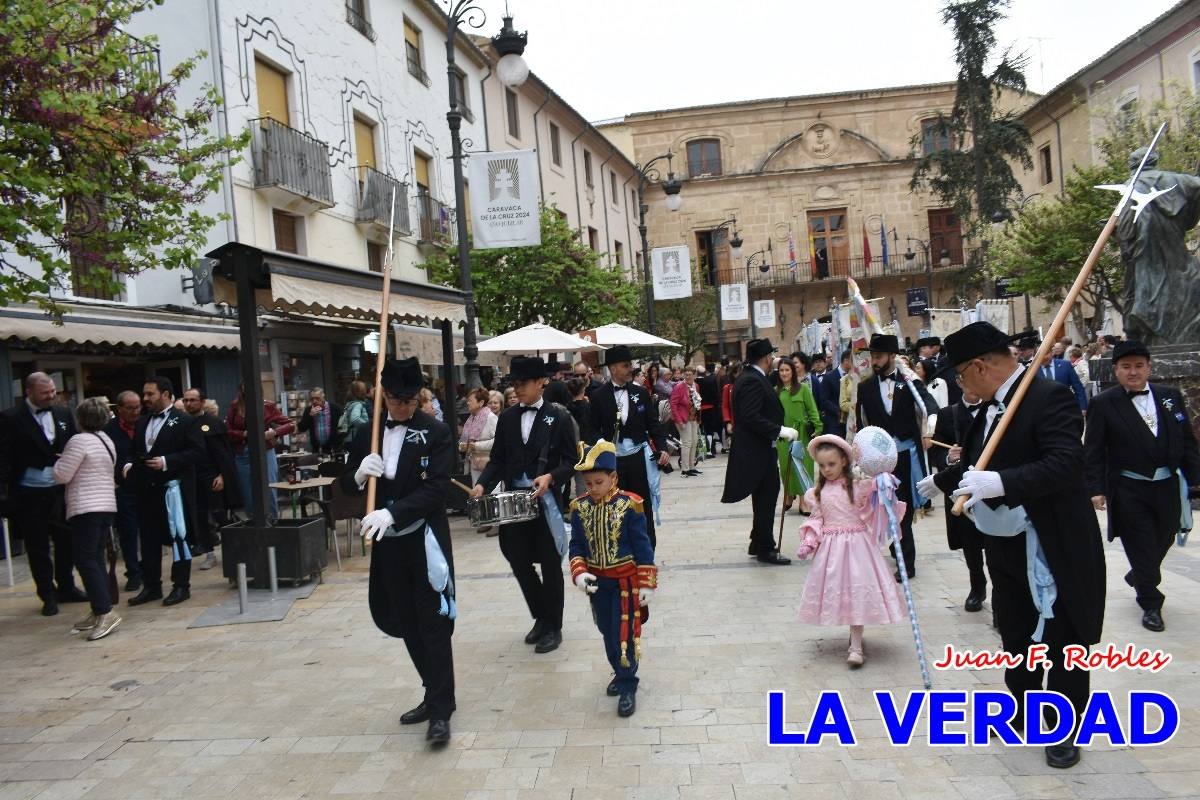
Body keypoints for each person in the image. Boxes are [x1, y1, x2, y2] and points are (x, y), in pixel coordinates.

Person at [919, 321, 1105, 770]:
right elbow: (979, 459)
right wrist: (939, 482)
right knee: (1016, 631)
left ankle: (1064, 728)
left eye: (960, 376)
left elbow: (1064, 464)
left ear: (980, 367)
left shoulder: (1046, 397)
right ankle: (1023, 707)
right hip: (1005, 545)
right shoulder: (988, 409)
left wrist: (1002, 482)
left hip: (1052, 544)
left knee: (1062, 638)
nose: (960, 385)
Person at [342, 357, 456, 745]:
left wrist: (391, 512)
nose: (401, 408)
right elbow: (345, 483)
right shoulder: (366, 432)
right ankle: (431, 690)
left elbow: (436, 490)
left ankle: (442, 711)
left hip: (424, 541)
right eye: (394, 400)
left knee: (433, 625)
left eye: (408, 401)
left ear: (419, 397)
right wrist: (358, 475)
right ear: (382, 395)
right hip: (389, 548)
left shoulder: (436, 432)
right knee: (406, 622)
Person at [1084, 340, 1200, 632]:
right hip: (1128, 488)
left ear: (1149, 367)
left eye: (1138, 366)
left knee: (1164, 538)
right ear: (1116, 370)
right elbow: (1094, 450)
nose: (1133, 372)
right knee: (1141, 543)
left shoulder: (1170, 396)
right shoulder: (1103, 404)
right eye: (1126, 367)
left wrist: (1196, 477)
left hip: (1167, 486)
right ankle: (1150, 602)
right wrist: (1095, 488)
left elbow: (1186, 440)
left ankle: (1140, 574)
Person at [473, 356, 579, 654]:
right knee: (517, 558)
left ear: (540, 383)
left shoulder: (558, 417)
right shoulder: (507, 418)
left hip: (546, 503)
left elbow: (572, 461)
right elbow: (498, 460)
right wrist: (483, 484)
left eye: (522, 384)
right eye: (514, 384)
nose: (517, 389)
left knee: (549, 564)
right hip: (513, 503)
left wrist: (550, 477)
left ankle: (553, 626)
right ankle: (541, 616)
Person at [794, 434, 907, 666]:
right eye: (822, 465)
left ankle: (856, 646)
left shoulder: (858, 487)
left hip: (858, 549)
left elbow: (879, 495)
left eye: (831, 464)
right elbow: (817, 519)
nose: (826, 469)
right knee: (841, 593)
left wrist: (883, 483)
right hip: (831, 552)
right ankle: (852, 639)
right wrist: (808, 542)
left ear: (845, 461)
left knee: (857, 593)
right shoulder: (817, 493)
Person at [568, 440, 657, 718]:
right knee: (607, 631)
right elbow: (577, 546)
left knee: (624, 634)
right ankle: (620, 671)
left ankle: (628, 683)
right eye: (588, 483)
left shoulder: (631, 505)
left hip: (625, 584)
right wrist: (580, 573)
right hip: (599, 584)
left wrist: (646, 582)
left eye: (598, 482)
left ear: (613, 478)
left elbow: (643, 546)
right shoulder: (579, 508)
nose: (592, 488)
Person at [0, 372, 84, 616]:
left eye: (53, 392)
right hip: (29, 493)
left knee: (65, 542)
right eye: (45, 393)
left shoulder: (63, 413)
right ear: (29, 393)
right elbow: (4, 457)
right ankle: (47, 594)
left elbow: (72, 444)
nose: (51, 396)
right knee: (38, 547)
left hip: (60, 490)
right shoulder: (11, 418)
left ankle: (67, 587)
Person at [855, 334, 938, 580]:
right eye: (872, 356)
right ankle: (897, 548)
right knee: (887, 507)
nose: (874, 361)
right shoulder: (865, 387)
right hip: (881, 460)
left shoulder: (909, 382)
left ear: (892, 356)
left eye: (879, 356)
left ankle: (906, 564)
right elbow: (863, 424)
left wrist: (929, 427)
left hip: (907, 455)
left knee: (904, 507)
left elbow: (929, 405)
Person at [123, 376, 205, 608]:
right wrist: (128, 465)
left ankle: (181, 585)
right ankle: (152, 585)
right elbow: (133, 450)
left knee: (179, 536)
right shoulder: (142, 421)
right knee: (148, 539)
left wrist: (167, 461)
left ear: (166, 394)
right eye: (144, 394)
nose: (145, 399)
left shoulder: (184, 421)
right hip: (147, 490)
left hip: (174, 490)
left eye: (150, 394)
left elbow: (198, 452)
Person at [721, 338, 799, 565]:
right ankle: (766, 547)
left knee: (766, 495)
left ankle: (758, 540)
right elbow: (750, 416)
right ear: (766, 358)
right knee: (766, 496)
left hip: (761, 449)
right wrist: (779, 430)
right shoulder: (752, 380)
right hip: (756, 450)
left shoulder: (751, 377)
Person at [52, 397, 121, 640]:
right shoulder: (106, 440)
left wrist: (59, 461)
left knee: (84, 559)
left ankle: (104, 611)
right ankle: (98, 608)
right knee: (95, 558)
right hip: (105, 505)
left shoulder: (78, 440)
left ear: (80, 419)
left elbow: (62, 475)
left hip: (86, 506)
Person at [589, 346, 671, 547]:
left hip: (638, 459)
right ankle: (619, 550)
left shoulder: (641, 393)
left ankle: (647, 549)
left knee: (641, 504)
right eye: (626, 365)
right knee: (615, 506)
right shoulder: (598, 396)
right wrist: (601, 444)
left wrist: (661, 448)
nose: (630, 369)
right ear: (614, 368)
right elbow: (590, 428)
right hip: (612, 462)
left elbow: (653, 424)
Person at [929, 385, 991, 613]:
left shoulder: (993, 409)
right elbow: (935, 450)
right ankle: (977, 586)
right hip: (959, 488)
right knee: (969, 541)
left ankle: (1003, 594)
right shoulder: (948, 414)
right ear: (960, 382)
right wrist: (948, 457)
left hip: (989, 485)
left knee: (994, 540)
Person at [181, 388, 240, 570]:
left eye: (193, 400)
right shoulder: (182, 424)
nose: (189, 403)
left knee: (219, 513)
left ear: (202, 401)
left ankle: (234, 548)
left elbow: (224, 454)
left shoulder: (213, 424)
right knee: (198, 517)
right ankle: (209, 553)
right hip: (192, 478)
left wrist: (222, 475)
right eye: (186, 400)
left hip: (211, 476)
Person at [227, 385, 294, 519]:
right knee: (248, 494)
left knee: (269, 490)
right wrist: (244, 433)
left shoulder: (268, 405)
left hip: (265, 450)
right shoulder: (235, 406)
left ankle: (273, 523)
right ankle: (254, 525)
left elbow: (290, 424)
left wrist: (274, 432)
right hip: (243, 452)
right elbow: (227, 431)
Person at [104, 390, 143, 592]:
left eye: (138, 407)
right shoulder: (108, 430)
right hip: (122, 488)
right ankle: (133, 572)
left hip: (145, 485)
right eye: (130, 408)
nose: (135, 412)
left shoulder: (145, 424)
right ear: (119, 409)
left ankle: (147, 569)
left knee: (148, 530)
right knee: (128, 532)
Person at [776, 360, 821, 510]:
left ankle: (804, 502)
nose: (784, 373)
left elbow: (812, 409)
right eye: (781, 370)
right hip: (783, 435)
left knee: (803, 467)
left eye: (787, 370)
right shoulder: (776, 391)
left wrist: (818, 427)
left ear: (793, 372)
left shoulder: (803, 389)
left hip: (802, 434)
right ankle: (789, 495)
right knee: (785, 468)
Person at [1033, 345, 1088, 415]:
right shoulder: (1032, 372)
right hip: (1044, 413)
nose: (1044, 357)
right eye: (1040, 355)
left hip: (1066, 409)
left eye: (1046, 353)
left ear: (1051, 352)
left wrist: (1082, 407)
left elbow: (1078, 387)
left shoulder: (1065, 365)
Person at [459, 387, 497, 487]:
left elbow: (498, 441)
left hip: (488, 465)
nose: (468, 403)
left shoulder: (491, 417)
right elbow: (465, 439)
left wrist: (476, 446)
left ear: (481, 403)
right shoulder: (471, 419)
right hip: (474, 465)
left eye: (470, 401)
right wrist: (463, 446)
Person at [670, 366, 703, 477]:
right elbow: (673, 404)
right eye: (686, 374)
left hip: (694, 417)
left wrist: (699, 418)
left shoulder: (696, 386)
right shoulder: (679, 387)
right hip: (683, 419)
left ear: (694, 375)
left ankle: (692, 467)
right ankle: (685, 469)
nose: (688, 376)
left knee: (694, 442)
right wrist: (679, 420)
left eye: (690, 374)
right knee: (687, 443)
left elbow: (698, 403)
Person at [296, 387, 343, 455]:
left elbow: (342, 427)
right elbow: (301, 428)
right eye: (312, 399)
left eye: (317, 398)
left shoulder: (334, 408)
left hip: (334, 448)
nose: (314, 401)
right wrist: (310, 416)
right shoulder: (308, 410)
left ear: (323, 397)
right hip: (317, 449)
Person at [696, 364, 723, 455]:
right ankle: (709, 450)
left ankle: (702, 450)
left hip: (699, 409)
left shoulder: (694, 383)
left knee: (700, 430)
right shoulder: (710, 381)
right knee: (709, 430)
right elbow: (715, 395)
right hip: (710, 408)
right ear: (704, 373)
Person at [338, 381, 371, 447]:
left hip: (350, 439)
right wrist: (367, 426)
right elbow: (355, 419)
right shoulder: (358, 405)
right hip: (356, 438)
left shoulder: (351, 404)